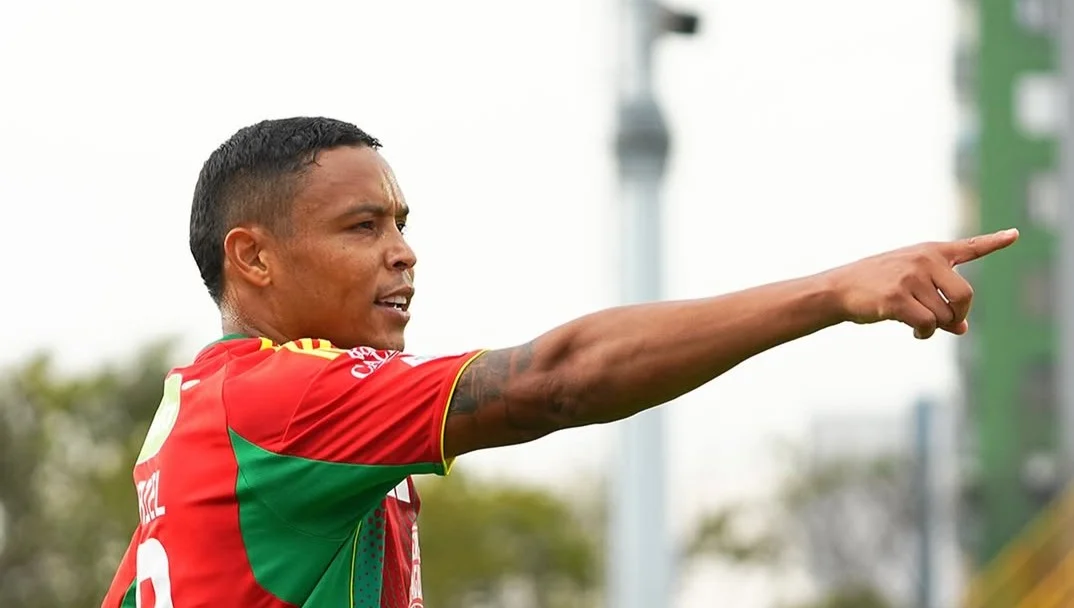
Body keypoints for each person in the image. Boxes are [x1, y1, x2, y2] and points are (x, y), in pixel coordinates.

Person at [102, 116, 1018, 607]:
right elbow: (555, 380)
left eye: (403, 225)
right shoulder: (292, 398)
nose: (403, 252)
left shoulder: (206, 404)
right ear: (252, 257)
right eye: (362, 226)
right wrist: (832, 292)